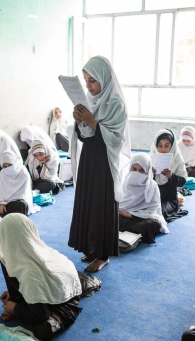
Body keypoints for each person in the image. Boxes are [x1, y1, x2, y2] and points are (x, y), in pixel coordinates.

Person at [68, 56, 131, 273]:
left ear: (104, 78)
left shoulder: (116, 104)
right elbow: (85, 137)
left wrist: (91, 121)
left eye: (92, 81)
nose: (88, 86)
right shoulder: (90, 101)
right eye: (86, 81)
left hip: (105, 164)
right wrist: (79, 122)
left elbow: (115, 139)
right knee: (88, 204)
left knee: (101, 206)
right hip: (89, 160)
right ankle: (91, 248)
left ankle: (103, 255)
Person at [0, 214, 82, 341]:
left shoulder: (29, 272)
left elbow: (41, 315)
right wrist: (14, 292)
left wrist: (15, 309)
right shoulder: (30, 251)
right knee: (3, 257)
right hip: (57, 279)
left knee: (42, 330)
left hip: (65, 299)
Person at [118, 153, 168, 244]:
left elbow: (152, 209)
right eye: (134, 169)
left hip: (142, 218)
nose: (136, 173)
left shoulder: (152, 186)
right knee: (109, 216)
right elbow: (119, 202)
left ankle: (124, 230)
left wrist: (130, 215)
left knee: (152, 224)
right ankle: (132, 232)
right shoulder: (126, 181)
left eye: (141, 170)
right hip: (123, 216)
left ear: (147, 171)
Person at [150, 129, 188, 222]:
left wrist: (171, 176)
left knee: (158, 212)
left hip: (168, 199)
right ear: (156, 145)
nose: (163, 149)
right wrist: (150, 173)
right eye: (160, 146)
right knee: (138, 210)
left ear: (172, 146)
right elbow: (140, 182)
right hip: (151, 197)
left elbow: (182, 181)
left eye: (167, 146)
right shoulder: (151, 158)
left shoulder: (178, 160)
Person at [0, 151, 33, 217]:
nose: (8, 168)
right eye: (5, 166)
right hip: (3, 203)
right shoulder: (3, 172)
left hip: (16, 201)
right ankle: (6, 214)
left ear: (15, 163)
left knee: (22, 205)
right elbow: (0, 190)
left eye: (10, 165)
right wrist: (1, 202)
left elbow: (22, 194)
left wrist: (5, 202)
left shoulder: (23, 173)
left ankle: (2, 214)